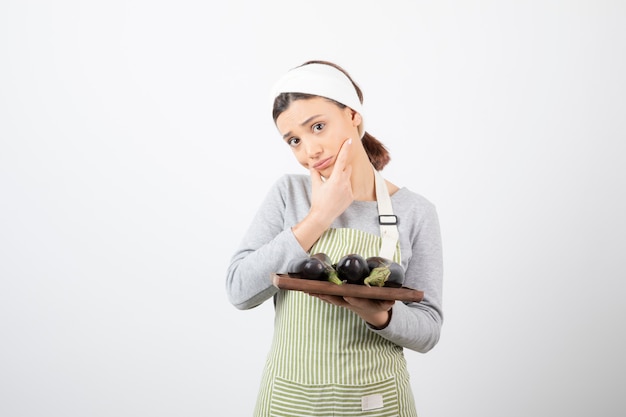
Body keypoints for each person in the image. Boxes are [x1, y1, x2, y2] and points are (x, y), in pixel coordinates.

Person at [225, 60, 443, 417]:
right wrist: (319, 216)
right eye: (294, 140)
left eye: (318, 126)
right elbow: (239, 290)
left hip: (378, 403)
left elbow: (429, 329)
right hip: (289, 402)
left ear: (353, 115)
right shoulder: (287, 195)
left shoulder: (416, 211)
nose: (309, 150)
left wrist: (381, 318)